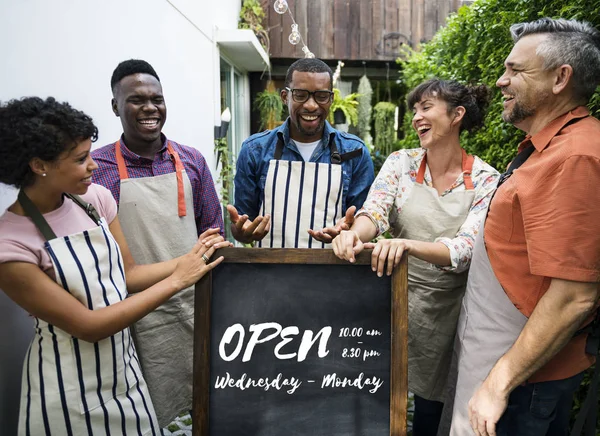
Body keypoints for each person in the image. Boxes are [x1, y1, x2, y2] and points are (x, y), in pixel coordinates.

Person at [0, 96, 229, 434]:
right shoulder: (11, 245)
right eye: (81, 159)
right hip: (68, 389)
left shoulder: (94, 201)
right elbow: (89, 326)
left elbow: (129, 275)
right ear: (39, 165)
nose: (93, 166)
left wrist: (190, 258)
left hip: (127, 375)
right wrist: (177, 280)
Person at [449, 18, 600, 436]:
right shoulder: (544, 150)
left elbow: (575, 297)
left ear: (560, 78)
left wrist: (498, 385)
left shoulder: (576, 157)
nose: (501, 81)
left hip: (523, 384)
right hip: (502, 362)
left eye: (516, 70)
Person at [331, 79, 500, 435]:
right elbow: (374, 214)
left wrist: (407, 246)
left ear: (457, 115)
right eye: (414, 110)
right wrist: (353, 234)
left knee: (430, 413)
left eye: (426, 107)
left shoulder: (487, 180)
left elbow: (466, 250)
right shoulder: (401, 163)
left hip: (447, 314)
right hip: (391, 300)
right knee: (372, 398)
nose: (416, 117)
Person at [91, 59, 224, 426]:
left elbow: (213, 230)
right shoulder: (95, 168)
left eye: (157, 99)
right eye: (136, 100)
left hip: (195, 303)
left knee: (206, 401)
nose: (150, 108)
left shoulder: (192, 160)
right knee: (141, 411)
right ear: (115, 106)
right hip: (134, 313)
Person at [227, 58, 375, 248]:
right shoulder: (255, 149)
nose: (311, 105)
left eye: (321, 96)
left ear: (331, 99)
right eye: (300, 95)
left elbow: (364, 221)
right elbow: (242, 222)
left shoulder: (355, 152)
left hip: (335, 272)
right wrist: (242, 232)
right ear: (285, 97)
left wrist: (348, 232)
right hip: (269, 273)